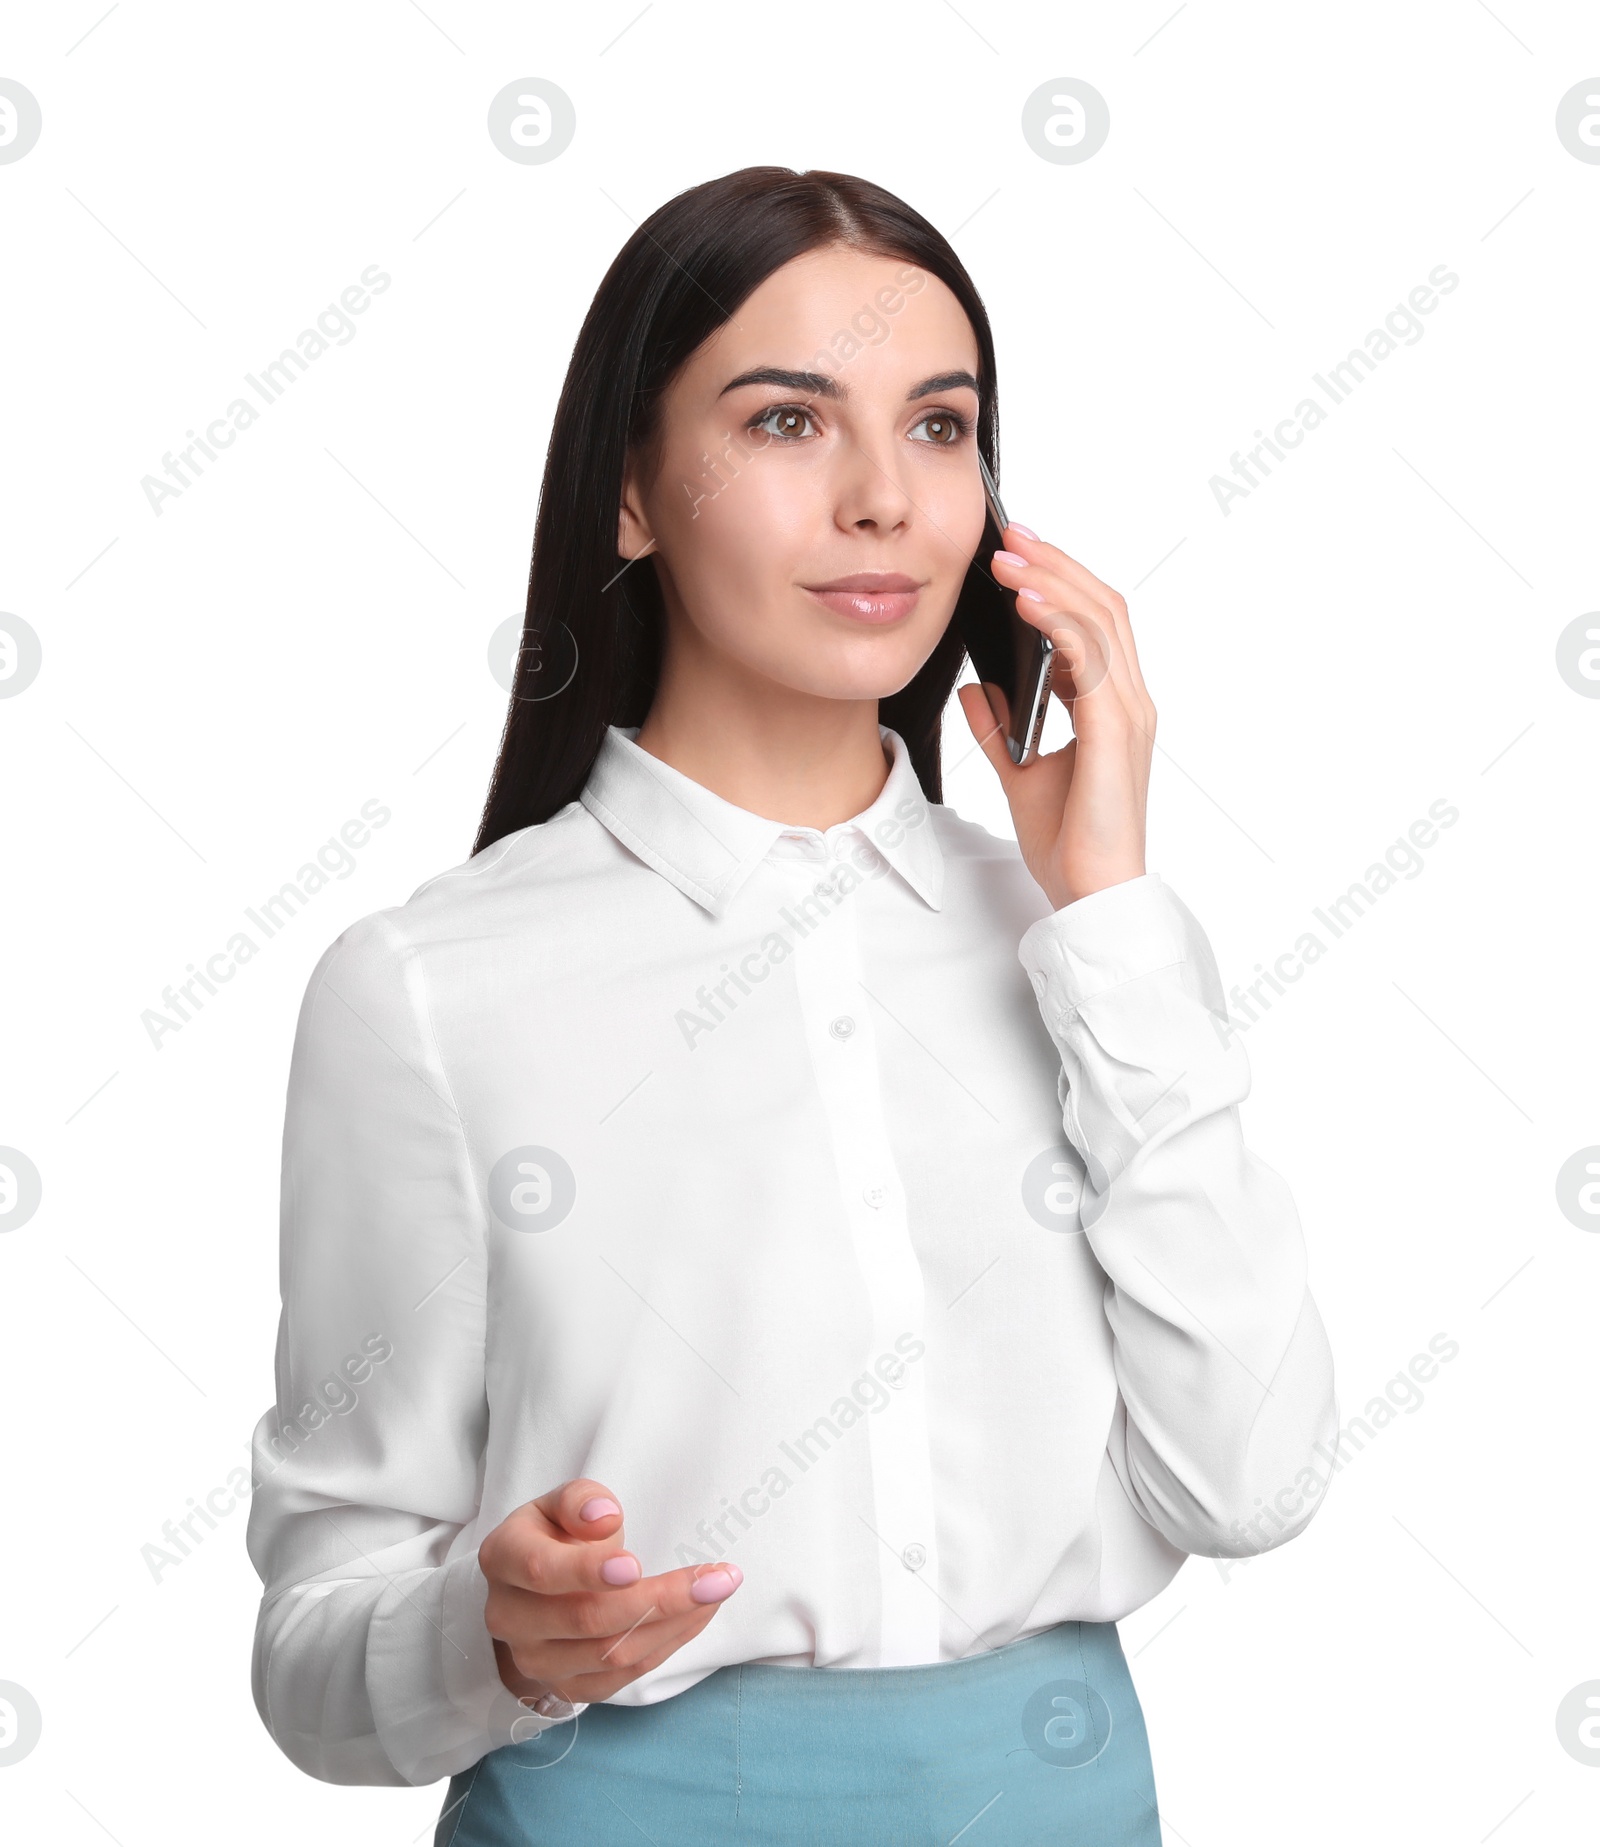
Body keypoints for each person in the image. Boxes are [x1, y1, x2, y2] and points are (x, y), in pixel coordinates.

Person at [246, 165, 1340, 1846]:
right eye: (784, 424)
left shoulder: (1090, 953)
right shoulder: (427, 994)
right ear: (630, 495)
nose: (885, 501)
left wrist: (1109, 915)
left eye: (940, 427)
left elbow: (1251, 1485)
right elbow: (315, 1643)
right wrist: (487, 1637)